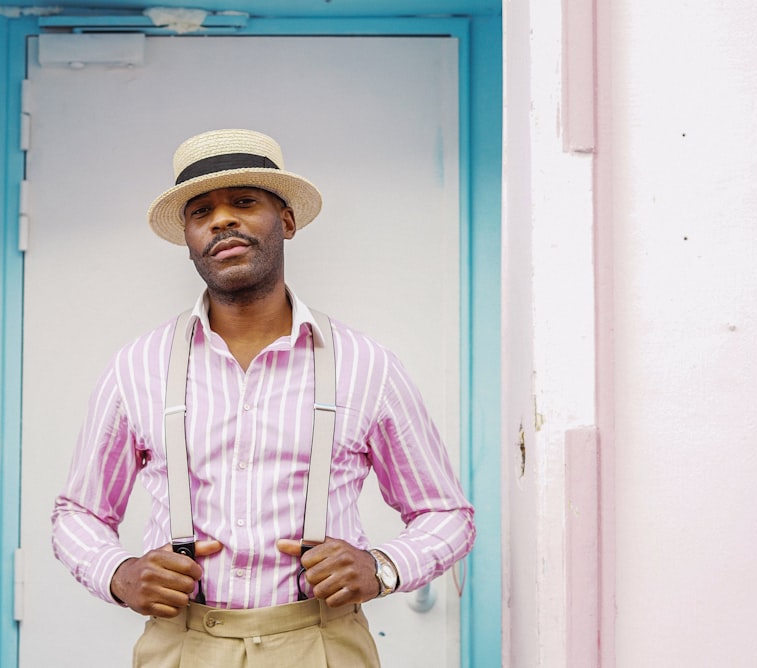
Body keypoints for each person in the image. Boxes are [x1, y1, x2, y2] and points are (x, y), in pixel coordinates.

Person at [51, 128, 475, 667]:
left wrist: (384, 567)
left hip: (323, 643)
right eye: (201, 211)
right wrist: (118, 574)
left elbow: (447, 513)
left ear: (288, 221)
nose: (222, 220)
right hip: (183, 644)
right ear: (189, 240)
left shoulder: (367, 365)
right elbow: (77, 512)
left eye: (245, 202)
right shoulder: (136, 367)